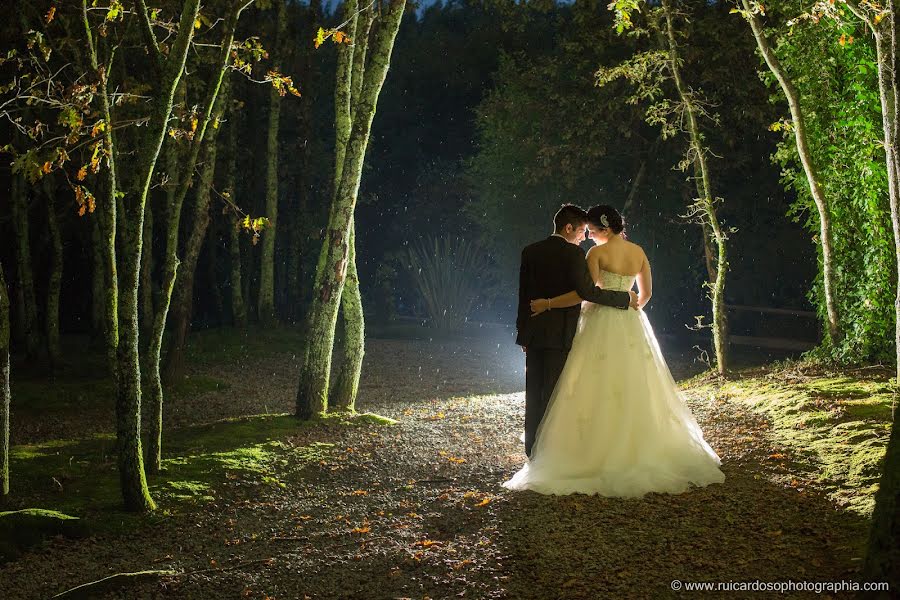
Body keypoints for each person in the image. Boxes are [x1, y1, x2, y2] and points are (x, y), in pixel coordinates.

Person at [504, 204, 724, 497]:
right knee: (635, 384)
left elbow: (584, 293)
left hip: (593, 321)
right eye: (586, 231)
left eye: (592, 231)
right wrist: (632, 311)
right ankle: (637, 446)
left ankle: (562, 448)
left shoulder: (593, 254)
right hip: (631, 322)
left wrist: (546, 305)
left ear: (605, 229)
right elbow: (645, 294)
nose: (589, 237)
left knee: (582, 385)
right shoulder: (639, 252)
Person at [515, 204, 638, 459]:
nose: (584, 236)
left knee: (533, 392)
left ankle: (532, 451)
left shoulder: (530, 251)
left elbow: (523, 295)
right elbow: (587, 293)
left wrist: (523, 332)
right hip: (561, 334)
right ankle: (549, 451)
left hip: (535, 333)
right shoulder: (574, 255)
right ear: (568, 228)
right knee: (554, 393)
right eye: (581, 230)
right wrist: (623, 299)